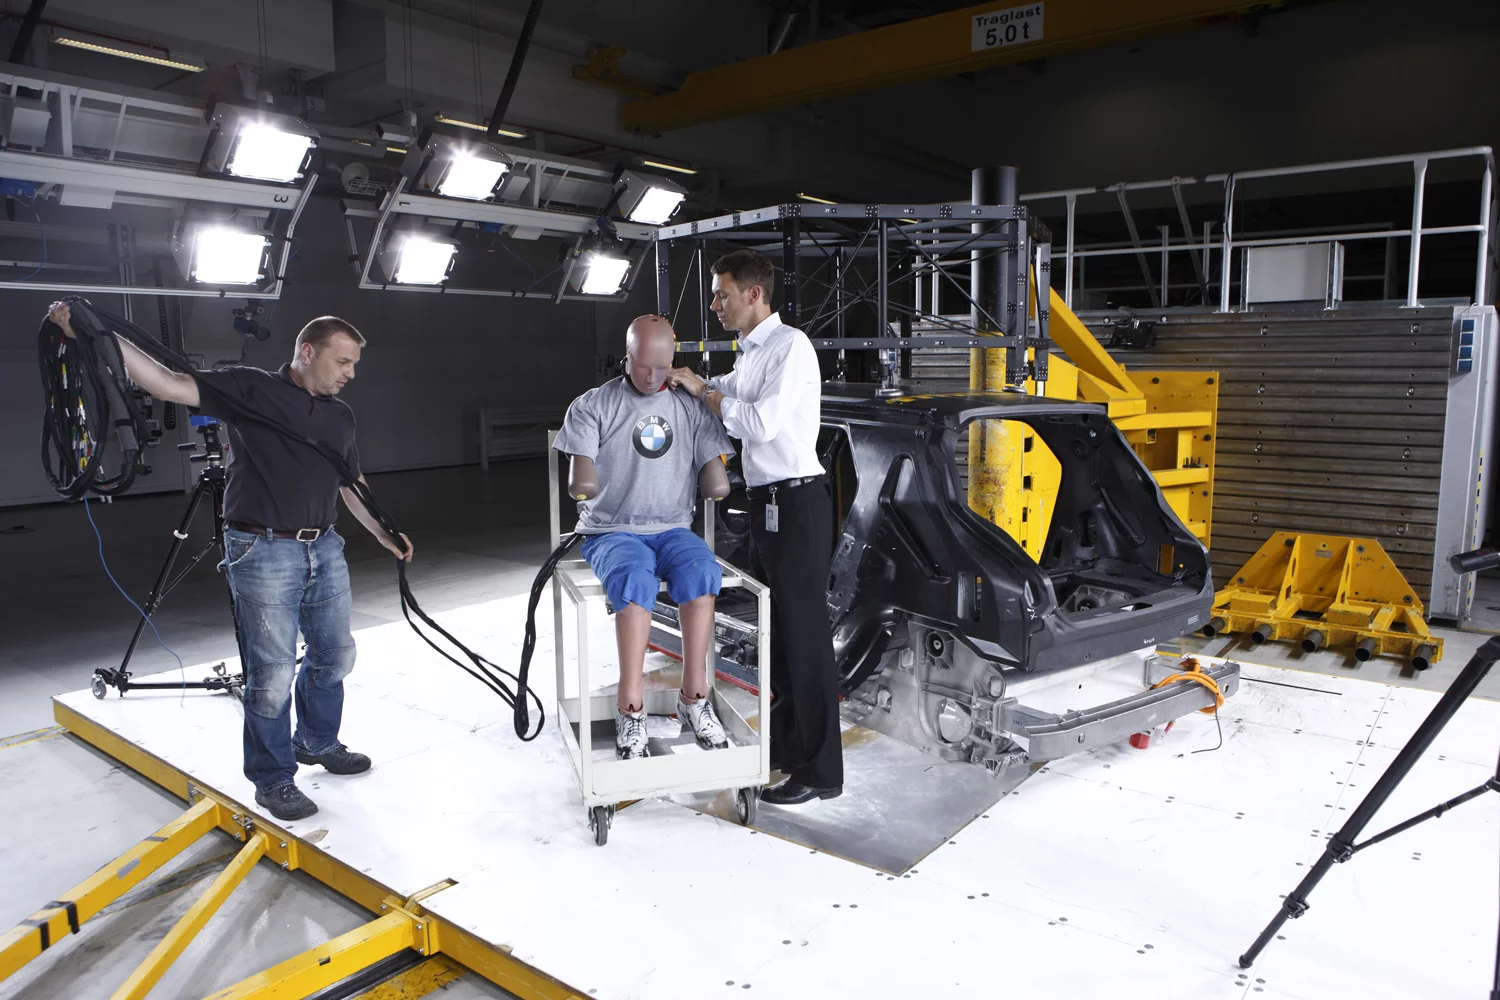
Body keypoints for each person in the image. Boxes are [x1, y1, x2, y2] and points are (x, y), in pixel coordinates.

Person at [47, 304, 412, 822]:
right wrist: (93, 331)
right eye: (343, 361)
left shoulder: (340, 415)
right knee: (272, 673)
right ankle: (273, 778)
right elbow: (168, 383)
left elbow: (350, 480)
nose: (350, 373)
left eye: (354, 364)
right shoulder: (250, 388)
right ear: (307, 352)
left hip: (324, 547)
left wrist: (382, 530)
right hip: (263, 551)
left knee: (335, 655)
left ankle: (316, 741)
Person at [669, 249, 843, 806]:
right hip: (769, 504)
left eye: (721, 294)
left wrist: (705, 392)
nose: (714, 305)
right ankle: (790, 751)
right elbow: (727, 391)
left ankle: (822, 773)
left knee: (806, 641)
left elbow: (761, 423)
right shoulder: (751, 354)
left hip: (798, 504)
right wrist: (689, 382)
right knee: (782, 641)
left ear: (754, 294)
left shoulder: (790, 346)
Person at [554, 315, 735, 759]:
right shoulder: (594, 405)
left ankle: (694, 698)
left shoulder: (690, 407)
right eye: (642, 366)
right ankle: (630, 708)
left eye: (661, 367)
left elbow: (714, 472)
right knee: (635, 581)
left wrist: (714, 470)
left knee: (702, 573)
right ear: (626, 358)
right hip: (611, 529)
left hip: (672, 527)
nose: (652, 377)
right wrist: (583, 475)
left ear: (674, 362)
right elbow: (581, 477)